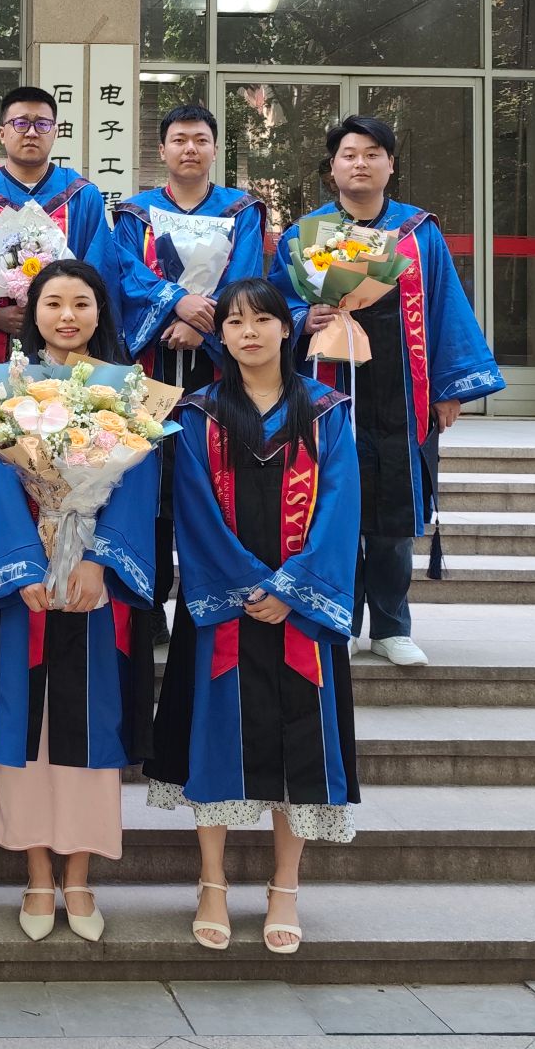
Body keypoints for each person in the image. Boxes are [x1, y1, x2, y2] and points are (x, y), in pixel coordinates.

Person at [144, 278, 360, 955]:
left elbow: (341, 506)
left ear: (285, 328)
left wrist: (293, 588)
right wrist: (245, 586)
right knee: (214, 740)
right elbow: (194, 509)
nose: (248, 332)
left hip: (302, 612)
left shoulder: (326, 411)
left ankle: (284, 887)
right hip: (225, 608)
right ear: (222, 336)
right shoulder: (198, 412)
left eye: (262, 320)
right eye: (234, 322)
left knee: (301, 749)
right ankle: (211, 882)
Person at [270, 115, 505, 667]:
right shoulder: (304, 235)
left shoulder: (419, 232)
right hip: (327, 387)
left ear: (390, 165)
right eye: (349, 154)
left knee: (396, 509)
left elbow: (446, 306)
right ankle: (339, 618)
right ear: (332, 168)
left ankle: (392, 626)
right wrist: (304, 316)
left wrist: (448, 389)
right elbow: (275, 302)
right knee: (330, 504)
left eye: (373, 153)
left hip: (402, 387)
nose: (361, 163)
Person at [0, 258, 155, 942]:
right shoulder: (3, 388)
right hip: (28, 578)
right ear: (34, 312)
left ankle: (78, 875)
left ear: (101, 311)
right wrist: (21, 565)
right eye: (53, 303)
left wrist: (101, 564)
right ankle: (36, 874)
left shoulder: (130, 390)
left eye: (81, 302)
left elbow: (137, 483)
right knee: (28, 729)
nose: (67, 316)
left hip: (92, 579)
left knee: (90, 725)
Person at [94, 102, 268, 640]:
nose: (190, 148)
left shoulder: (242, 210)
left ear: (215, 149)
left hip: (216, 371)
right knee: (147, 481)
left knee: (211, 481)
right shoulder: (135, 214)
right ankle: (148, 604)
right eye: (179, 139)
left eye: (200, 139)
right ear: (162, 149)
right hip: (148, 366)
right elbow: (122, 274)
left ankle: (206, 606)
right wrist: (176, 304)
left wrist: (203, 324)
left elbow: (245, 277)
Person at [0, 86, 109, 373]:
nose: (31, 132)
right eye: (20, 123)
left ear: (55, 132)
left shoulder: (82, 197)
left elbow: (100, 268)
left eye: (42, 124)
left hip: (67, 339)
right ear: (2, 133)